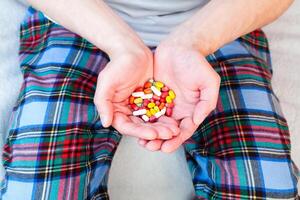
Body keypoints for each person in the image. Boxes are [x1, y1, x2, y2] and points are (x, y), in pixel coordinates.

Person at [1, 0, 299, 199]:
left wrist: (194, 41)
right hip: (77, 19)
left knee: (267, 188)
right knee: (35, 191)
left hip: (222, 23)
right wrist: (121, 44)